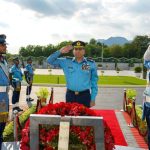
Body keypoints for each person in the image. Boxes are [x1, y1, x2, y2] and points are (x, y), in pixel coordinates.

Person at [47, 40, 98, 107]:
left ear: (84, 51)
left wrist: (93, 98)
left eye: (80, 49)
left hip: (85, 96)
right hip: (70, 95)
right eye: (76, 49)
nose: (78, 51)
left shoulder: (90, 63)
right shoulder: (66, 62)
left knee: (84, 116)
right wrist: (60, 52)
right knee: (69, 116)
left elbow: (94, 82)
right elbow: (49, 60)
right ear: (73, 51)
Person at [0, 34, 9, 149]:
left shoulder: (4, 60)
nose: (5, 47)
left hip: (3, 98)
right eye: (2, 45)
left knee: (2, 121)